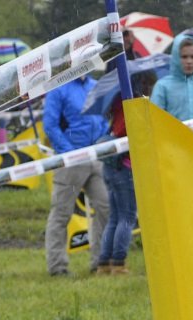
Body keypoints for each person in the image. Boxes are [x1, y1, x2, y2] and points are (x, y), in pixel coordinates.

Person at [42, 74, 111, 277]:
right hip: (70, 161)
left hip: (96, 156)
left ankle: (100, 261)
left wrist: (103, 140)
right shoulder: (58, 88)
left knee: (106, 207)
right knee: (62, 213)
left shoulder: (95, 85)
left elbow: (102, 118)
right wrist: (69, 152)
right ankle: (57, 266)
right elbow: (50, 125)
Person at [94, 71, 155, 276]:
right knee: (127, 217)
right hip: (125, 168)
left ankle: (104, 263)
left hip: (110, 168)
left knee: (114, 217)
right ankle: (119, 263)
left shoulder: (117, 103)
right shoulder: (135, 108)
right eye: (148, 84)